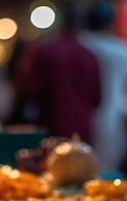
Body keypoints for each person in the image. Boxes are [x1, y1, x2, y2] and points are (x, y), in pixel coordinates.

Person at [22, 0, 102, 145]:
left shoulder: (47, 52)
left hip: (53, 128)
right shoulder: (90, 55)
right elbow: (97, 98)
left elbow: (33, 90)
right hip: (82, 130)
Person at [78, 1, 127, 173]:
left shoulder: (82, 44)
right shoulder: (124, 49)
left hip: (85, 114)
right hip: (116, 116)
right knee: (108, 168)